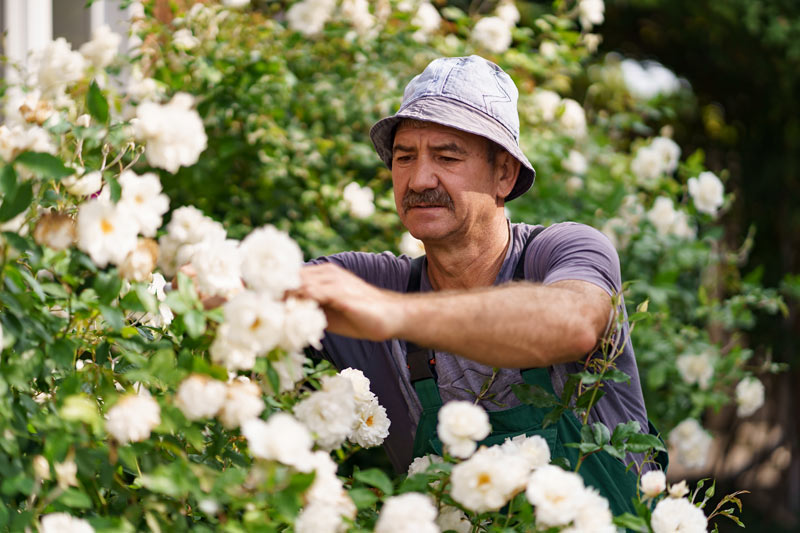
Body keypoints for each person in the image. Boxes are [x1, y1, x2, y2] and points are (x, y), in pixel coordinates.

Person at [300, 55, 661, 510]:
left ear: (504, 174)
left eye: (447, 156)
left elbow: (573, 323)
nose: (419, 178)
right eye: (404, 157)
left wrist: (390, 313)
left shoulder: (565, 251)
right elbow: (256, 289)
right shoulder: (375, 280)